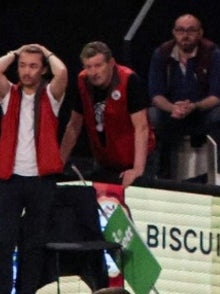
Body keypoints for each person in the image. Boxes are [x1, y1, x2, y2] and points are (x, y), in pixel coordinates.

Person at [0, 43, 68, 294]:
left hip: (41, 180)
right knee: (4, 241)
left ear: (42, 69)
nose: (27, 71)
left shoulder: (51, 96)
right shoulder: (9, 95)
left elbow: (63, 72)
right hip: (10, 178)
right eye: (23, 66)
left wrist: (47, 51)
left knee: (34, 242)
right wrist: (16, 52)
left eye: (33, 66)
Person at [148, 14, 220, 185]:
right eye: (180, 30)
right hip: (172, 113)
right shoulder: (162, 54)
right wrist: (173, 108)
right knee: (151, 115)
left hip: (201, 111)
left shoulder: (212, 53)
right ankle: (155, 175)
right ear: (174, 32)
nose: (185, 35)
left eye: (191, 30)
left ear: (200, 33)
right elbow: (155, 94)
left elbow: (218, 95)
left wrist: (194, 106)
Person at [59, 41, 153, 187]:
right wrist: (59, 163)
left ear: (111, 63)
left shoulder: (129, 80)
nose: (93, 72)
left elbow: (141, 127)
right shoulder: (82, 81)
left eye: (98, 65)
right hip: (104, 160)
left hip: (134, 160)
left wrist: (137, 169)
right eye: (88, 67)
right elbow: (74, 125)